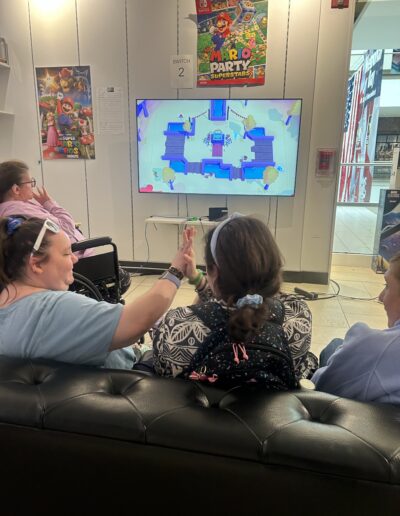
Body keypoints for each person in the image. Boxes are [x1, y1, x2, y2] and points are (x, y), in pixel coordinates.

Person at [0, 215, 193, 369]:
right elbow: (137, 322)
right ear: (36, 264)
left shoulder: (8, 305)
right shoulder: (53, 309)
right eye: (66, 253)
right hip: (131, 373)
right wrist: (176, 271)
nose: (74, 259)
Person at [151, 213, 313, 387]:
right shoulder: (298, 316)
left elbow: (164, 374)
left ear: (214, 271)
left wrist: (183, 275)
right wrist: (198, 280)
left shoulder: (177, 326)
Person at [0, 159, 131, 293]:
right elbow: (67, 228)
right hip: (75, 264)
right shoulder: (22, 211)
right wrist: (48, 202)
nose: (33, 186)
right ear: (16, 189)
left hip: (62, 262)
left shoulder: (11, 210)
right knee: (123, 278)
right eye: (30, 182)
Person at [311, 252, 400, 404]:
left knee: (334, 345)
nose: (380, 297)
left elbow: (320, 386)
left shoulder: (378, 349)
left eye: (387, 286)